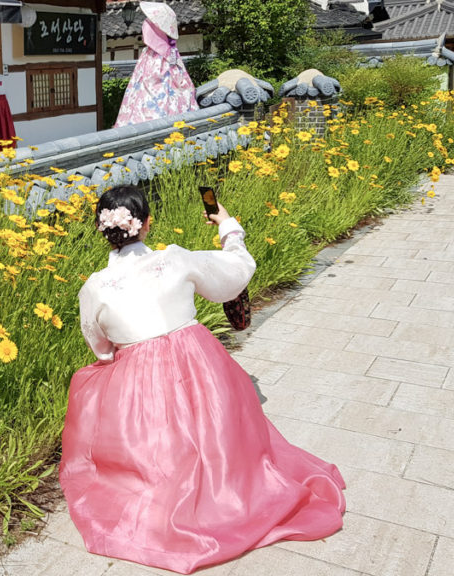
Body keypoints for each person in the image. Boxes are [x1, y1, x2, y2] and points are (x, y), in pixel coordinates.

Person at [59, 185, 346, 574]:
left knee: (98, 383)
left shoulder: (94, 287)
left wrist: (124, 351)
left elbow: (100, 345)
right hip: (199, 361)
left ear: (102, 229)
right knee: (214, 418)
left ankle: (159, 473)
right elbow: (236, 272)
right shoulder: (174, 260)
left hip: (137, 372)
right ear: (146, 225)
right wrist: (227, 225)